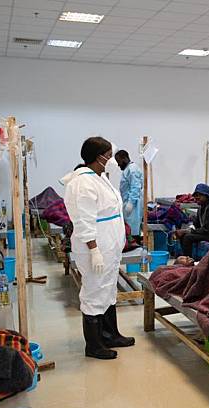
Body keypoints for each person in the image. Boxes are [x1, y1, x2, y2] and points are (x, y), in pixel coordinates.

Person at [62, 137, 134, 360]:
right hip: (95, 247)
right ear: (98, 157)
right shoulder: (82, 183)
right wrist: (94, 250)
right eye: (109, 155)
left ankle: (110, 334)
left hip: (109, 246)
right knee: (94, 290)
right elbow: (84, 221)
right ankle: (93, 345)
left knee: (109, 288)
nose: (112, 159)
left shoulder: (99, 178)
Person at [174, 183, 209, 257]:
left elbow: (207, 230)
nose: (197, 197)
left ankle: (188, 261)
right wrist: (186, 230)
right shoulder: (201, 208)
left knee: (188, 237)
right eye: (196, 195)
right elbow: (197, 225)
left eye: (199, 195)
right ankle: (184, 258)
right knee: (184, 235)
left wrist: (186, 231)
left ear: (206, 196)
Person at [114, 150, 143, 240]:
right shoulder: (128, 170)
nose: (118, 165)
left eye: (119, 161)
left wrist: (130, 203)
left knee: (133, 230)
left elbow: (135, 187)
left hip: (133, 206)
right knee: (129, 228)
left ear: (124, 158)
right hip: (128, 204)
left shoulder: (132, 170)